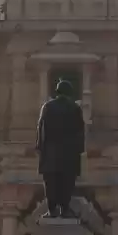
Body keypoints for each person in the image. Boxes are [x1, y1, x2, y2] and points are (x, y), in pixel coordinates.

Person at [36, 79, 86, 218]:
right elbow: (80, 132)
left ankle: (51, 210)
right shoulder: (75, 108)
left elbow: (41, 130)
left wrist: (40, 148)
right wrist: (79, 151)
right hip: (69, 154)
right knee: (67, 182)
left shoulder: (48, 107)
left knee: (51, 183)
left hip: (50, 153)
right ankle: (65, 208)